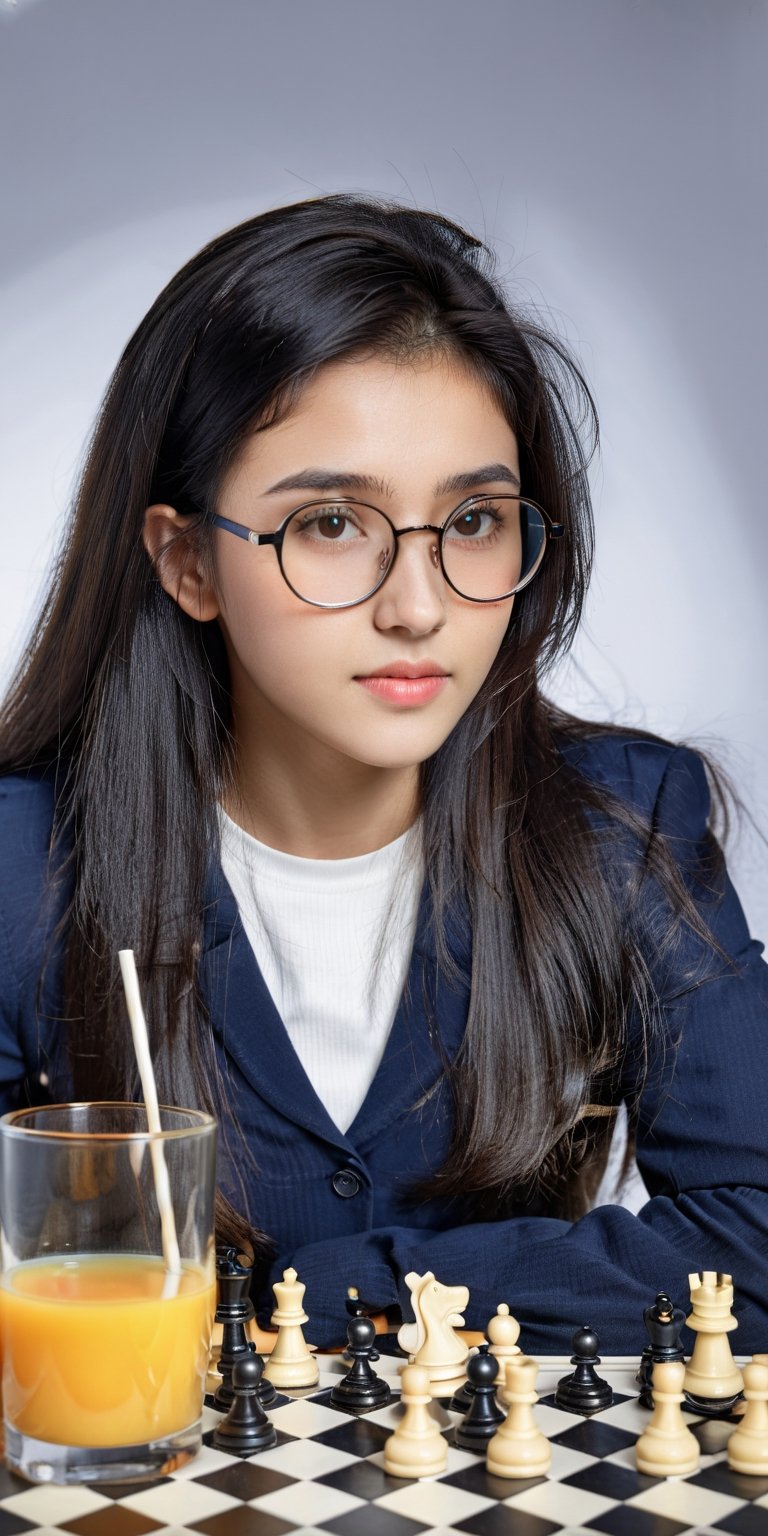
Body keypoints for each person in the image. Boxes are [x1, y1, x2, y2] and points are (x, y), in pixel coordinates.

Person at [1, 194, 766, 1353]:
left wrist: (357, 1286)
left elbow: (756, 1238)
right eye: (330, 524)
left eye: (473, 519)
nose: (418, 608)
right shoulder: (22, 862)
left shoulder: (624, 832)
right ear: (186, 561)